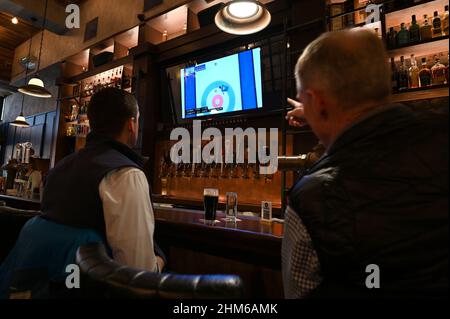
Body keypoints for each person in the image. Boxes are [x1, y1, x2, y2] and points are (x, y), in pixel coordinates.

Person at [282, 29, 448, 299]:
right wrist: (318, 112)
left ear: (318, 102)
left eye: (304, 100)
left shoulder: (312, 199)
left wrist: (319, 113)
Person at [41, 87, 165, 272]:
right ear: (131, 124)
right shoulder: (126, 175)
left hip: (53, 282)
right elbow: (138, 271)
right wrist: (160, 260)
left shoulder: (59, 168)